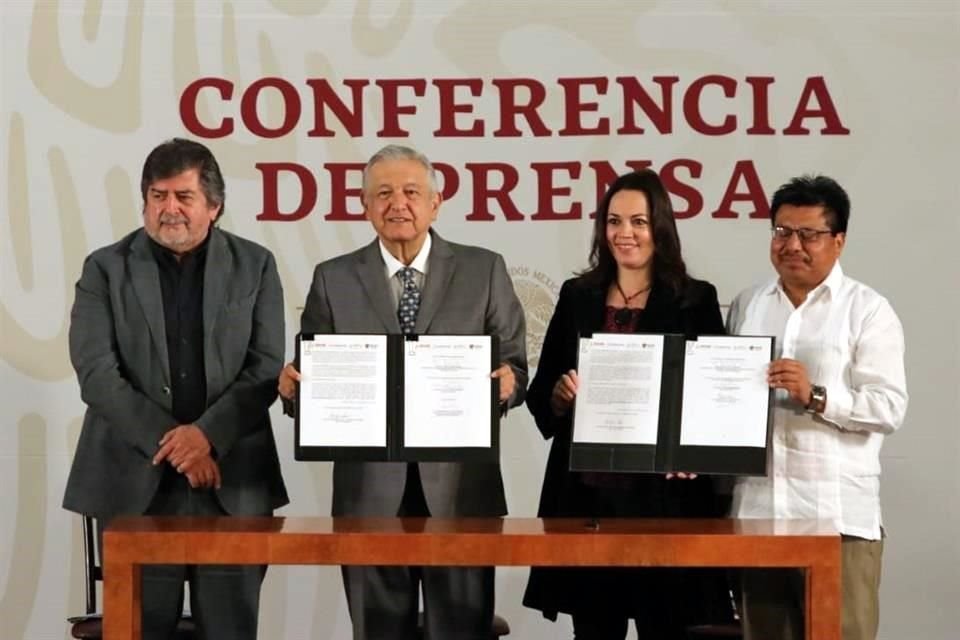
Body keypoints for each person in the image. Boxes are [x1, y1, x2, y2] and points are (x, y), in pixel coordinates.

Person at [277, 144, 527, 640]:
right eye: (384, 193)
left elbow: (515, 364)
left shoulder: (484, 269)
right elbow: (314, 377)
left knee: (461, 632)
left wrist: (508, 383)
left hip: (461, 491)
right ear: (365, 206)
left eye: (412, 192)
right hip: (368, 493)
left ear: (436, 203)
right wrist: (293, 391)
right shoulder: (334, 278)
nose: (398, 204)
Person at [63, 138, 288, 640]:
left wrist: (207, 436)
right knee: (138, 632)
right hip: (133, 487)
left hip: (232, 484)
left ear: (214, 205)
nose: (169, 210)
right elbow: (97, 373)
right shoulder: (105, 268)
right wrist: (180, 446)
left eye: (183, 197)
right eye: (158, 196)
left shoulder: (256, 265)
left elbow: (265, 366)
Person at [522, 169, 732, 639]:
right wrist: (558, 397)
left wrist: (691, 454)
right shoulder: (577, 296)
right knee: (594, 631)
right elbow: (541, 393)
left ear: (660, 227)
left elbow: (710, 398)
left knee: (668, 628)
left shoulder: (695, 299)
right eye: (614, 221)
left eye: (638, 221)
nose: (625, 233)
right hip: (587, 500)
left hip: (665, 504)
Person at [727, 175, 907, 640]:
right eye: (782, 232)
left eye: (809, 234)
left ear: (839, 241)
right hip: (759, 516)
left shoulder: (868, 310)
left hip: (838, 521)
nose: (792, 245)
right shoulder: (748, 304)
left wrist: (818, 396)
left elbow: (889, 407)